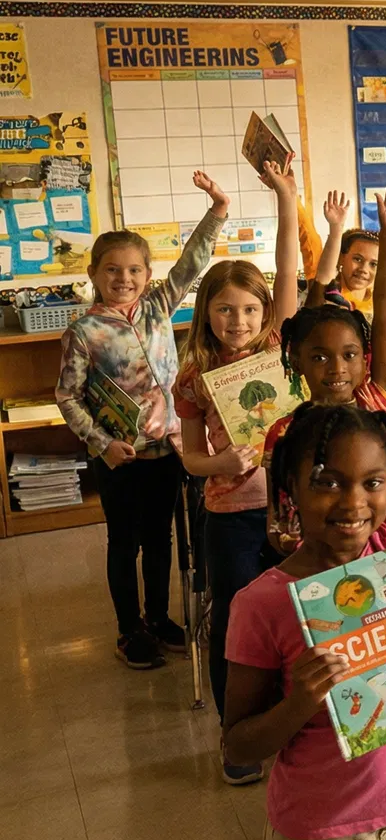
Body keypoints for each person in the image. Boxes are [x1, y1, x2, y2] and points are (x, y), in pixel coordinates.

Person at [221, 205, 386, 840]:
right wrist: (298, 704)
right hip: (324, 829)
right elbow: (240, 741)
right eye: (326, 482)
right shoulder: (263, 603)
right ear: (290, 495)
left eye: (371, 483)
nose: (351, 503)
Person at [56, 171, 227, 671]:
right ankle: (129, 630)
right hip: (118, 456)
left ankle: (157, 618)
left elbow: (193, 263)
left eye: (134, 270)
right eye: (112, 271)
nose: (123, 279)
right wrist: (101, 442)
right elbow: (67, 397)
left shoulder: (156, 308)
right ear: (94, 274)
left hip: (167, 451)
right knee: (123, 543)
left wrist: (217, 209)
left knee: (161, 539)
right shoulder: (84, 331)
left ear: (147, 276)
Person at [174, 161, 304, 784]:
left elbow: (289, 275)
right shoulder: (195, 376)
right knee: (234, 621)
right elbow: (190, 457)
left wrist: (286, 196)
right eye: (225, 311)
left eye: (249, 310)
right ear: (208, 314)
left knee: (299, 614)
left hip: (287, 508)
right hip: (229, 514)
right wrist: (218, 464)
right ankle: (237, 736)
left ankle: (293, 719)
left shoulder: (277, 351)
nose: (239, 322)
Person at [264, 177, 386, 554]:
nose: (336, 369)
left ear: (365, 358)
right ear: (297, 361)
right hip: (315, 569)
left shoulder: (373, 403)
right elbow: (278, 523)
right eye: (320, 357)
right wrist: (294, 543)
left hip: (382, 559)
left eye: (349, 356)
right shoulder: (285, 432)